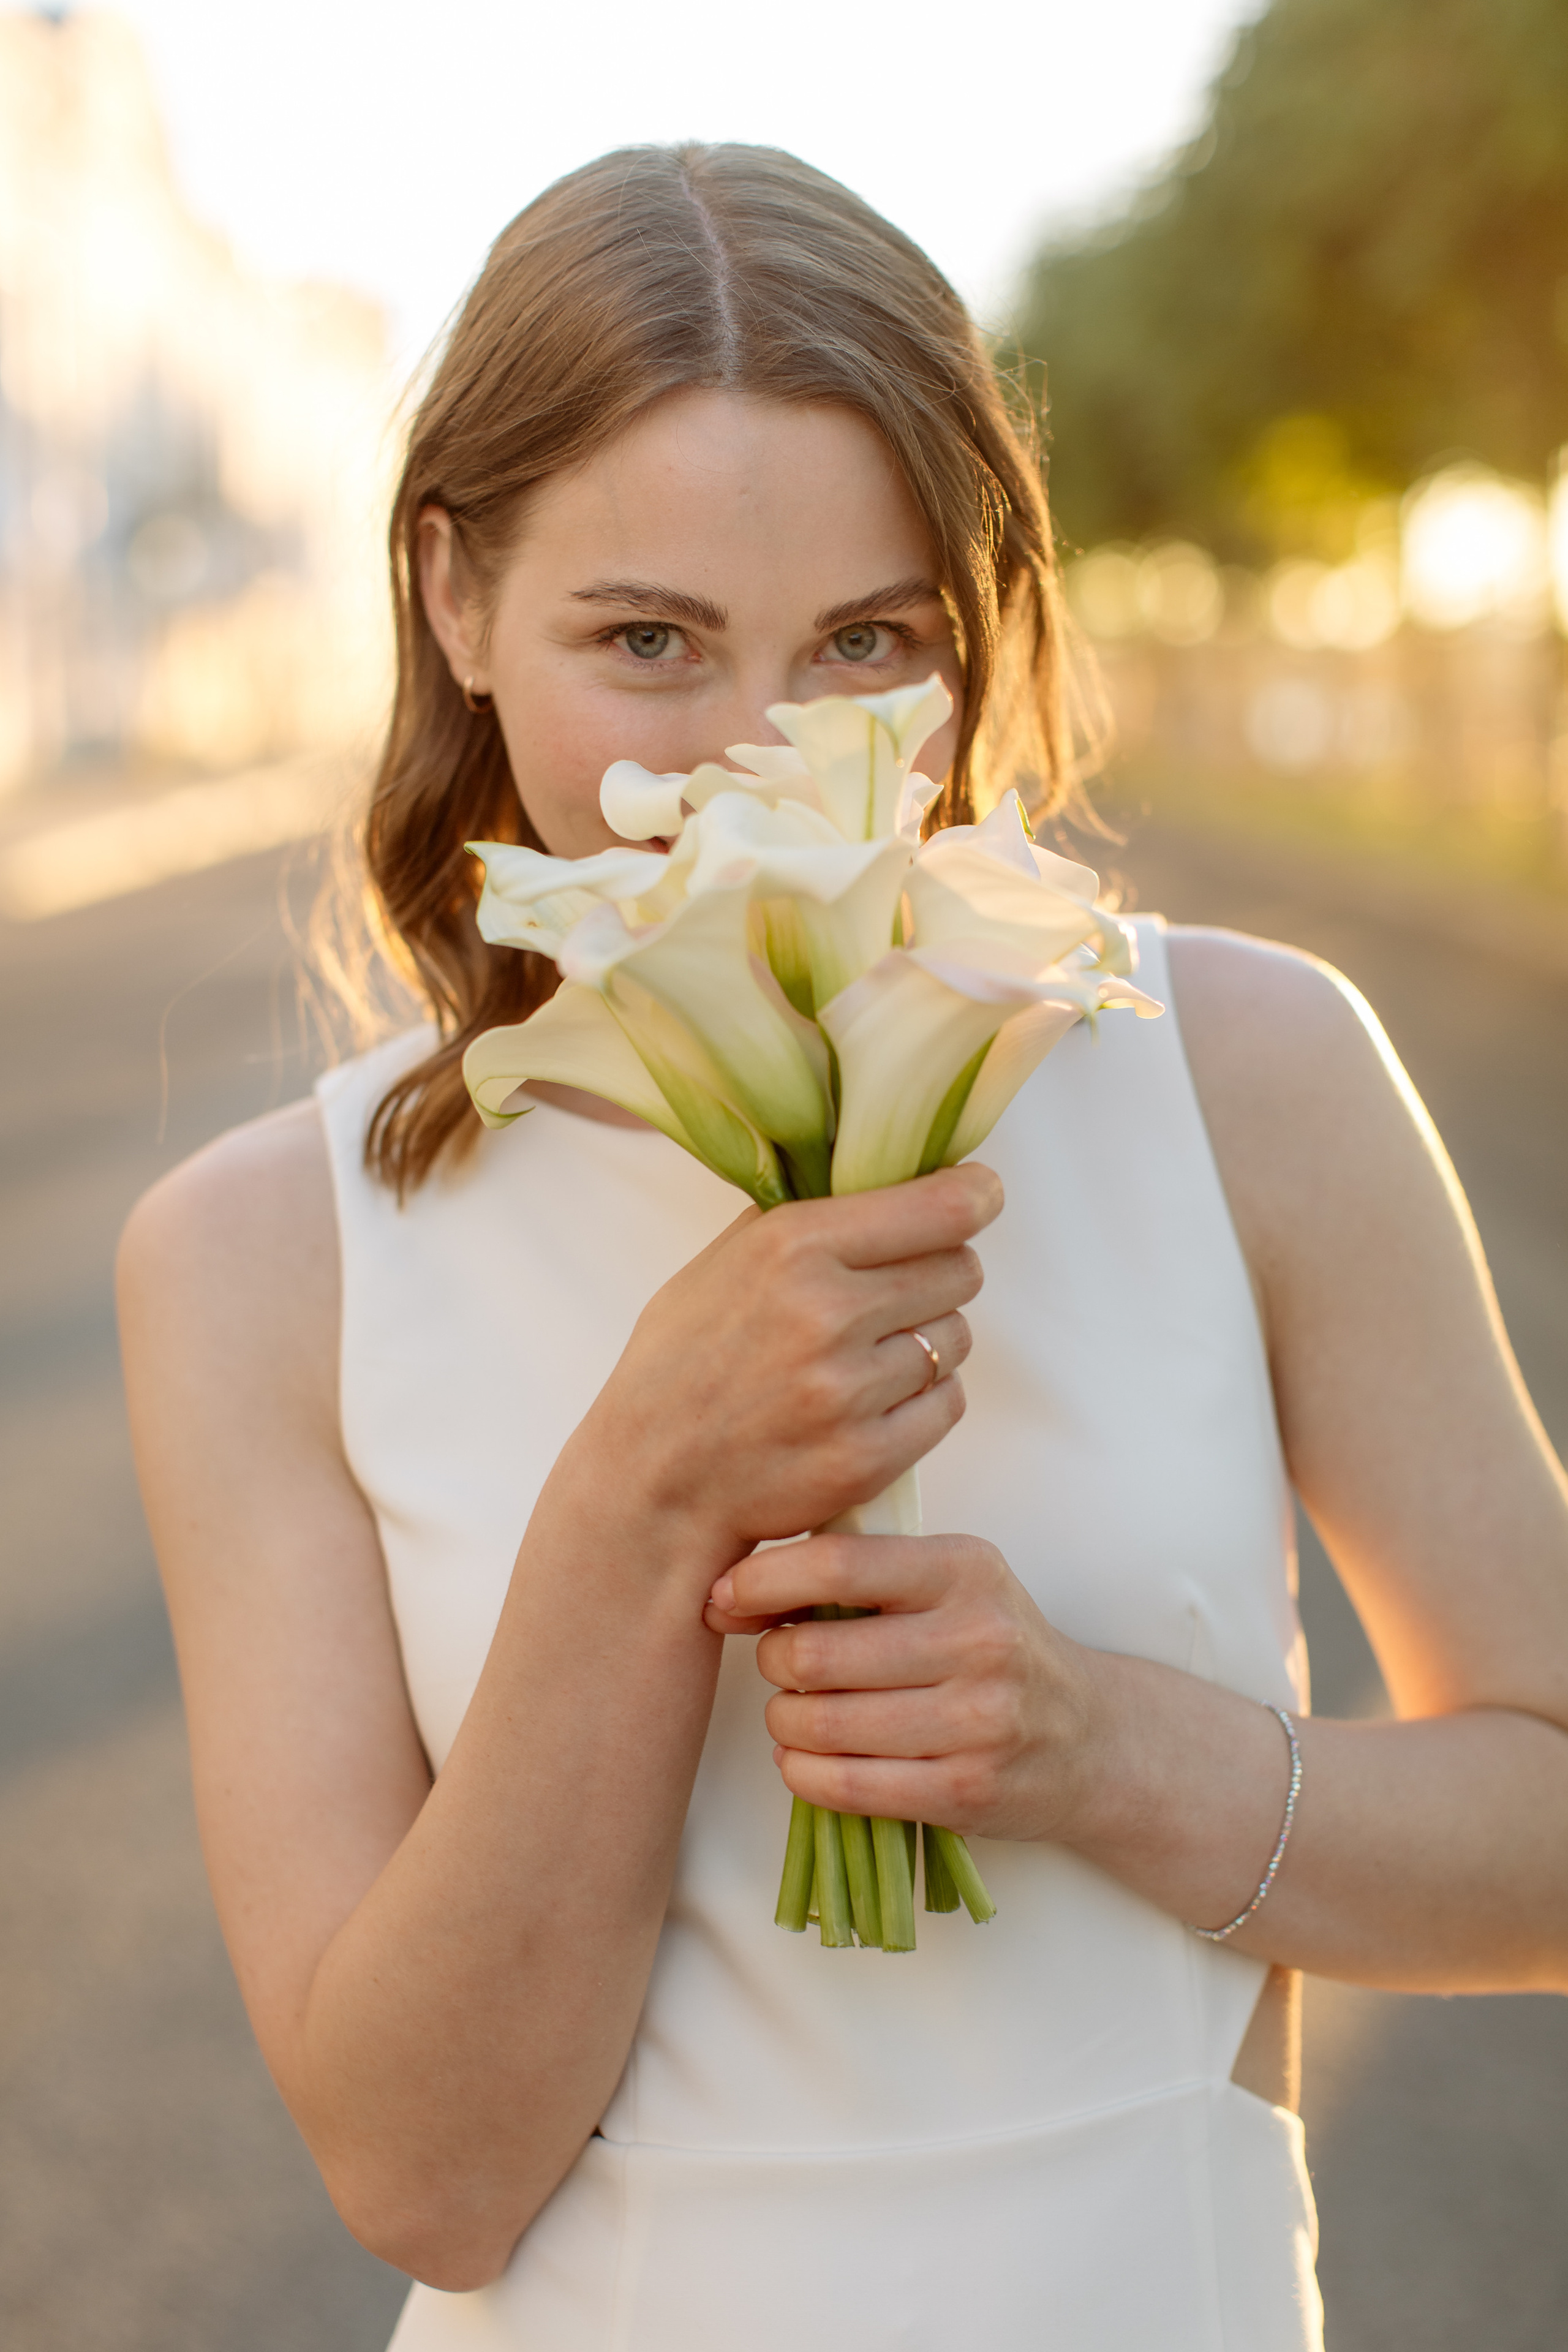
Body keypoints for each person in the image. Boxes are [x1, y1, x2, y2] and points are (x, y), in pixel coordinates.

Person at [118, 145, 1568, 2351]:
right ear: (452, 600)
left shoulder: (1243, 1075)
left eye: (870, 646)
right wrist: (648, 1487)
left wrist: (1094, 1749)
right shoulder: (261, 1258)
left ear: (975, 634)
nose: (764, 767)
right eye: (646, 643)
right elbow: (424, 2171)